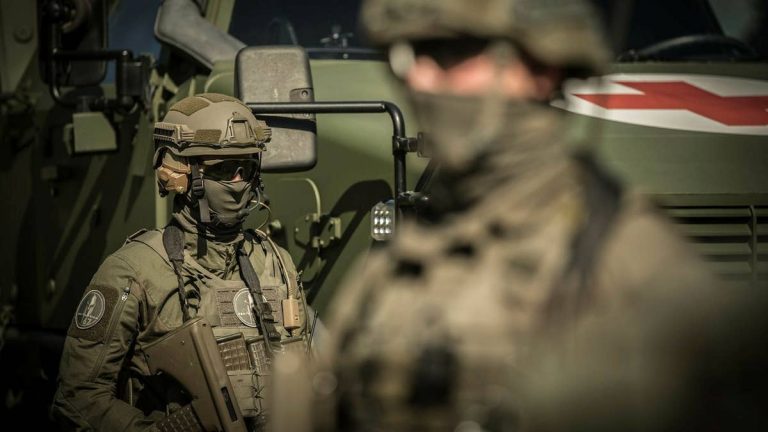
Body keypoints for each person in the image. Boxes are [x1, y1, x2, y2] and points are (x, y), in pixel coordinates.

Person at [279, 0, 720, 430]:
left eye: (450, 53)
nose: (418, 77)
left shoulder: (629, 262)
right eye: (408, 56)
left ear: (541, 68)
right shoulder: (401, 260)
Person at [51, 93, 311, 431]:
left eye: (246, 169)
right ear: (180, 174)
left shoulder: (275, 262)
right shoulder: (134, 271)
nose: (238, 182)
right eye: (224, 169)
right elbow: (77, 397)